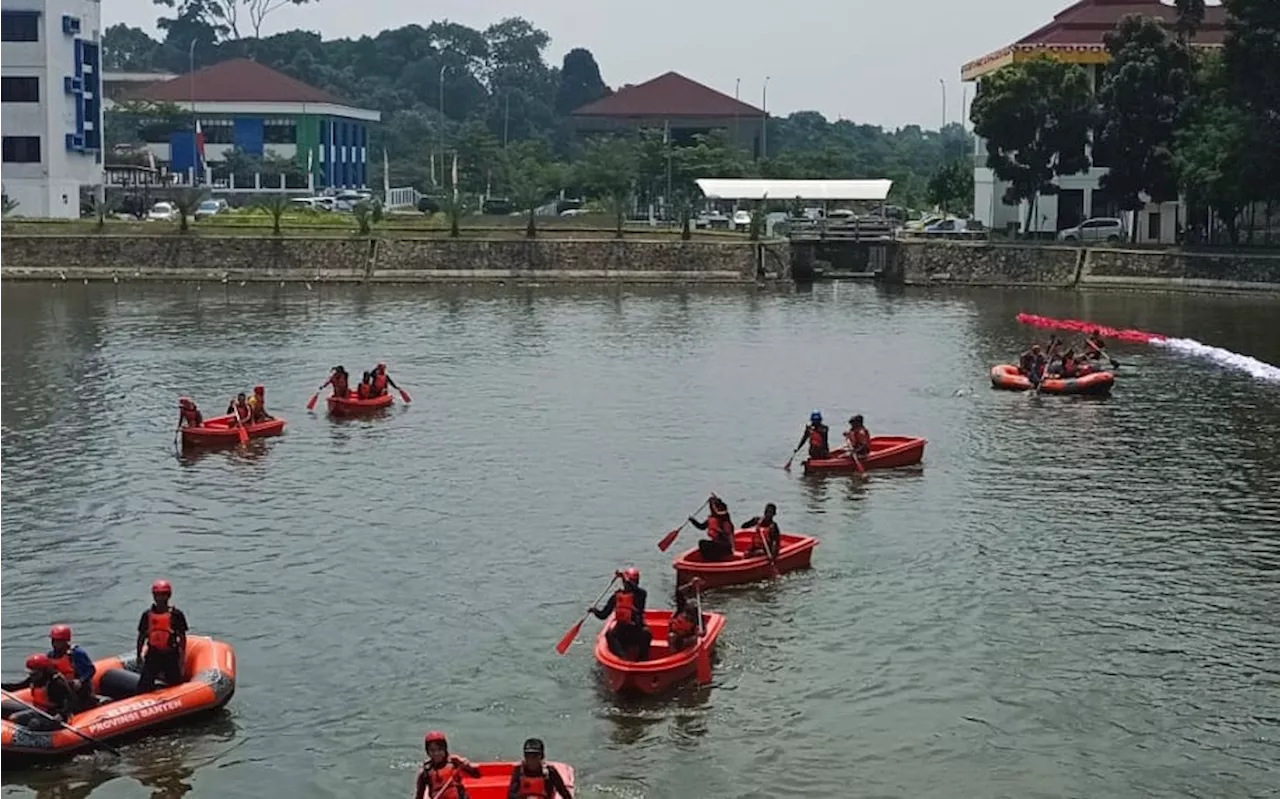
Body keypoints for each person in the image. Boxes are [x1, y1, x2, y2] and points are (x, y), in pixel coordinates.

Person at [136, 580, 190, 693]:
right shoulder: (147, 615)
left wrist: (182, 657)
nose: (160, 598)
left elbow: (182, 636)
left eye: (163, 595)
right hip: (153, 654)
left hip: (170, 654)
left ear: (168, 596)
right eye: (157, 595)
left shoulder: (176, 615)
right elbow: (141, 636)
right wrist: (139, 655)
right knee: (143, 687)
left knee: (176, 686)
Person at [0, 654, 78, 729]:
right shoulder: (35, 679)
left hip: (52, 714)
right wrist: (2, 686)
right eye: (31, 673)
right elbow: (18, 686)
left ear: (44, 671)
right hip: (38, 709)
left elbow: (70, 700)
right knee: (4, 707)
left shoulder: (56, 683)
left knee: (33, 723)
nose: (32, 676)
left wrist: (61, 714)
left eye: (34, 674)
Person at [589, 568, 651, 661]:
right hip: (622, 632)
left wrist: (624, 577)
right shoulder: (617, 597)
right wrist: (594, 611)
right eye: (630, 581)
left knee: (647, 633)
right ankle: (621, 658)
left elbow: (634, 588)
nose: (631, 584)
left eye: (634, 581)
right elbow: (604, 615)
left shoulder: (641, 594)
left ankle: (641, 659)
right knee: (609, 634)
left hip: (636, 631)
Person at [414, 730, 482, 799]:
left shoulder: (454, 763)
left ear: (445, 749)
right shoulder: (425, 771)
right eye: (432, 750)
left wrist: (467, 766)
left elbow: (477, 775)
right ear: (427, 752)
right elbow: (419, 795)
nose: (436, 753)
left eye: (440, 749)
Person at [47, 624, 96, 709]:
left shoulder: (76, 653)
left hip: (78, 690)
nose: (55, 644)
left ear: (65, 641)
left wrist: (80, 681)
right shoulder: (50, 655)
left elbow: (90, 670)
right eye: (53, 640)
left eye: (58, 641)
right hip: (62, 688)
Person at [507, 738, 573, 799]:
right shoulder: (519, 771)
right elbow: (511, 795)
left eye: (535, 756)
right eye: (528, 755)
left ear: (542, 756)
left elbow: (564, 793)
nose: (531, 759)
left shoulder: (550, 772)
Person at [689, 495, 735, 562]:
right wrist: (693, 520)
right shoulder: (712, 519)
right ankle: (709, 560)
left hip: (726, 547)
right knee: (702, 543)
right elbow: (701, 527)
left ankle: (712, 560)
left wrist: (713, 502)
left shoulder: (724, 519)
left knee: (705, 544)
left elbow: (720, 512)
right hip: (717, 545)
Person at [666, 580, 703, 654]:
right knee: (671, 636)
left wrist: (700, 633)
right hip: (676, 636)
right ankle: (674, 656)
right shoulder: (681, 608)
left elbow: (704, 631)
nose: (687, 616)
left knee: (690, 640)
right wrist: (691, 584)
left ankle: (683, 654)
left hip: (687, 638)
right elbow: (679, 592)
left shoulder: (698, 617)